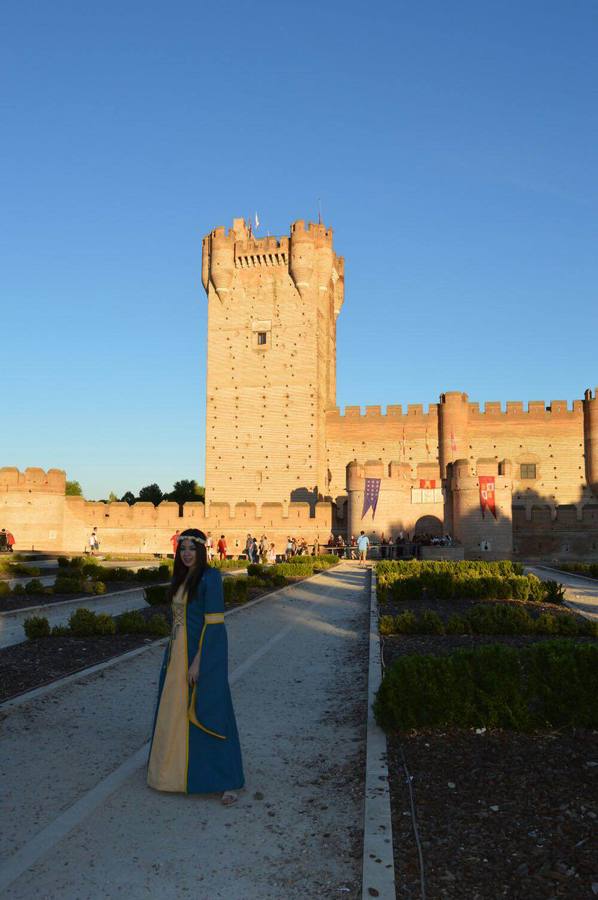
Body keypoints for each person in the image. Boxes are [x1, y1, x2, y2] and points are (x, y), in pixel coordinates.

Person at [147, 529, 244, 803]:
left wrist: (198, 662)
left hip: (199, 655)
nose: (187, 553)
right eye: (183, 549)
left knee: (210, 710)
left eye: (192, 548)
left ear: (201, 550)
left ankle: (227, 781)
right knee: (175, 713)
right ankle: (173, 773)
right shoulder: (180, 577)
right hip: (175, 655)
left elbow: (214, 626)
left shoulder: (210, 578)